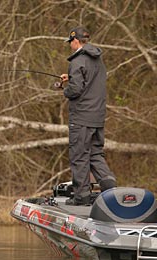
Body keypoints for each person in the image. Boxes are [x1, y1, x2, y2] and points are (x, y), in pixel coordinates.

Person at [60, 26, 117, 206]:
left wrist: (65, 89)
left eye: (71, 42)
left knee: (79, 156)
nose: (70, 45)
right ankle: (110, 189)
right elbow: (90, 82)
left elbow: (76, 90)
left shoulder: (77, 61)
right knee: (95, 154)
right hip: (98, 117)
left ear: (75, 41)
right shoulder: (98, 59)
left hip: (81, 118)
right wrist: (71, 78)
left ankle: (81, 197)